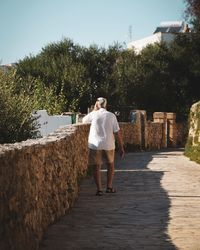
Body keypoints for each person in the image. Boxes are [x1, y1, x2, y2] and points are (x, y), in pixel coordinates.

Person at [82, 97, 125, 196]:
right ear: (106, 105)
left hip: (95, 145)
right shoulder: (112, 116)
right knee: (110, 165)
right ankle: (109, 187)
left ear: (97, 104)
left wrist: (94, 110)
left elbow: (83, 120)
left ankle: (99, 190)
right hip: (109, 144)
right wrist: (121, 147)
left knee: (96, 167)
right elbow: (117, 133)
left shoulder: (93, 114)